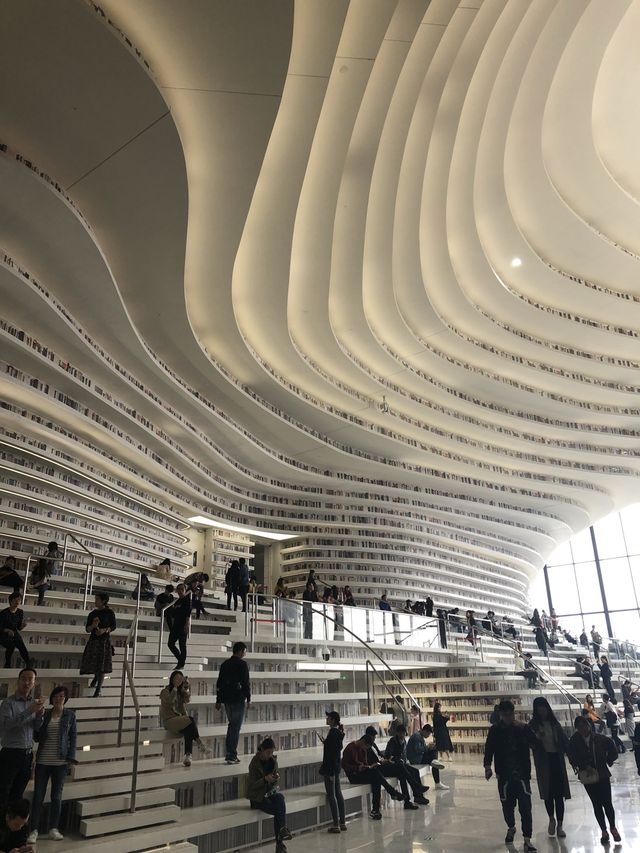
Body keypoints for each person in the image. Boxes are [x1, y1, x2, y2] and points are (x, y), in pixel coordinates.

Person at [483, 699, 538, 852]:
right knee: (507, 806)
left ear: (514, 713)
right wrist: (487, 766)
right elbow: (489, 749)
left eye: (511, 714)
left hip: (522, 775)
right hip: (504, 775)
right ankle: (511, 827)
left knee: (526, 807)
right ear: (500, 714)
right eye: (505, 714)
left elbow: (535, 743)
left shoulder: (522, 728)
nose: (508, 717)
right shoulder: (495, 730)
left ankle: (527, 839)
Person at [27, 685, 76, 843]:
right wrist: (39, 716)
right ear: (52, 698)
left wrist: (70, 758)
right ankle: (33, 830)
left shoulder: (70, 715)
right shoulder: (46, 714)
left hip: (60, 763)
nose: (58, 698)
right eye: (56, 696)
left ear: (65, 699)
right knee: (38, 797)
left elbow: (73, 738)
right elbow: (37, 735)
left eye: (61, 696)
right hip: (42, 761)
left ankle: (53, 828)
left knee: (56, 797)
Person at [568, 715, 620, 844]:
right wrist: (584, 766)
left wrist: (608, 760)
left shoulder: (599, 738)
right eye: (579, 726)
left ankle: (613, 827)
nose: (583, 729)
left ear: (589, 725)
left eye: (584, 725)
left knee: (607, 803)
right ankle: (603, 830)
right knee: (596, 804)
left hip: (602, 774)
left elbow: (613, 750)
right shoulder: (574, 741)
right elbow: (572, 757)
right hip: (588, 777)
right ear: (576, 728)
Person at [0, 668, 44, 812]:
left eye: (30, 679)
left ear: (34, 683)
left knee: (17, 795)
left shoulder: (34, 703)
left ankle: (11, 828)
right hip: (10, 754)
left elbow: (36, 729)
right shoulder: (8, 703)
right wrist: (29, 711)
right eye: (24, 679)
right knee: (3, 794)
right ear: (18, 681)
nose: (26, 682)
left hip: (27, 755)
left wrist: (39, 716)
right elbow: (6, 726)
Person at [528, 697, 570, 838]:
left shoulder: (554, 723)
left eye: (543, 707)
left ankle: (560, 824)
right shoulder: (533, 725)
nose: (542, 710)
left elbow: (564, 740)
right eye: (539, 708)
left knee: (559, 794)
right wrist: (536, 738)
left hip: (556, 759)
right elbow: (529, 742)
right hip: (543, 762)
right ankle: (551, 818)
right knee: (548, 793)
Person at [341, 732, 405, 820]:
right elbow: (344, 765)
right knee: (376, 776)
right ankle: (390, 793)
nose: (365, 749)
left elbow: (365, 763)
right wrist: (357, 768)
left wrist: (368, 766)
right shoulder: (350, 748)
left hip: (362, 772)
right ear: (362, 741)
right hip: (354, 775)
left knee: (376, 777)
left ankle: (376, 809)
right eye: (365, 746)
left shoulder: (363, 749)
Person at [247, 738, 292, 852]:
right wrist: (265, 780)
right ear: (262, 750)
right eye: (268, 752)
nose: (270, 755)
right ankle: (280, 842)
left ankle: (281, 833)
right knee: (279, 810)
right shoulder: (254, 763)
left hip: (269, 792)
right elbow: (251, 786)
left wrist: (274, 779)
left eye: (272, 752)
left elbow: (274, 783)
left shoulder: (273, 761)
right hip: (257, 796)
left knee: (280, 797)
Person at [159, 671, 211, 767]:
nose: (178, 681)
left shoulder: (180, 693)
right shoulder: (165, 691)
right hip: (169, 721)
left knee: (189, 730)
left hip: (179, 721)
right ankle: (200, 744)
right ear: (172, 679)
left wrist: (186, 687)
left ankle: (188, 756)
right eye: (176, 679)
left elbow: (187, 700)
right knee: (190, 720)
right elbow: (170, 701)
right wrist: (175, 687)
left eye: (180, 679)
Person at [215, 641, 250, 765]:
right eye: (245, 651)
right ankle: (231, 754)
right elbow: (246, 683)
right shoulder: (242, 664)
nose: (245, 654)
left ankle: (230, 753)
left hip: (227, 699)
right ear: (240, 651)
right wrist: (249, 698)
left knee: (232, 726)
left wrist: (218, 700)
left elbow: (219, 684)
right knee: (235, 727)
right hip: (238, 698)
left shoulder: (225, 664)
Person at [381, 725, 430, 808]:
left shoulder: (404, 741)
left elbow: (404, 754)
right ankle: (413, 794)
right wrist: (396, 758)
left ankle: (418, 796)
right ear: (397, 733)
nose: (402, 735)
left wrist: (403, 760)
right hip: (394, 765)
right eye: (400, 733)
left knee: (415, 771)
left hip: (401, 764)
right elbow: (388, 754)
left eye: (403, 733)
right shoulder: (392, 741)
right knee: (403, 776)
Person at [79, 592, 116, 697]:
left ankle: (98, 689)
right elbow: (87, 629)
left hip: (104, 641)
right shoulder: (92, 613)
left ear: (103, 601)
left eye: (97, 599)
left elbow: (113, 626)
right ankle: (96, 678)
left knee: (102, 665)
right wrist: (93, 625)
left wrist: (104, 630)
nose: (95, 601)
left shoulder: (109, 612)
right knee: (94, 663)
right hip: (94, 641)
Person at [319, 711, 346, 833]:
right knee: (338, 793)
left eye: (328, 717)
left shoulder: (333, 733)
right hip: (335, 768)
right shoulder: (337, 733)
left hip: (330, 769)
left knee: (332, 795)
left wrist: (329, 772)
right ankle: (342, 822)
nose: (327, 719)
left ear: (333, 720)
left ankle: (336, 824)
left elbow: (331, 754)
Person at [405, 723, 448, 789]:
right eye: (428, 734)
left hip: (418, 756)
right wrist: (427, 747)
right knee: (434, 759)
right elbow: (418, 749)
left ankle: (434, 761)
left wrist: (428, 747)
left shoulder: (419, 736)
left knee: (434, 751)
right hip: (416, 759)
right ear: (424, 731)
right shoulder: (417, 736)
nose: (428, 736)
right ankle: (437, 782)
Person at [0, 592, 30, 669]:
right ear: (10, 601)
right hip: (3, 634)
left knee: (22, 647)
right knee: (11, 646)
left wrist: (23, 626)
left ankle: (29, 665)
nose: (17, 602)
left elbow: (19, 627)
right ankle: (7, 665)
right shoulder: (4, 613)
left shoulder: (20, 612)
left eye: (19, 600)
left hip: (14, 633)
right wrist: (7, 630)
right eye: (15, 600)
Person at [167, 583, 191, 669]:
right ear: (177, 591)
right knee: (170, 644)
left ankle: (181, 664)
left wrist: (187, 624)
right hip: (176, 625)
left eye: (182, 589)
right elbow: (173, 614)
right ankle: (181, 661)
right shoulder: (176, 601)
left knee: (182, 645)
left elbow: (188, 613)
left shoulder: (187, 600)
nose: (180, 591)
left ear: (185, 590)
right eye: (179, 589)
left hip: (183, 625)